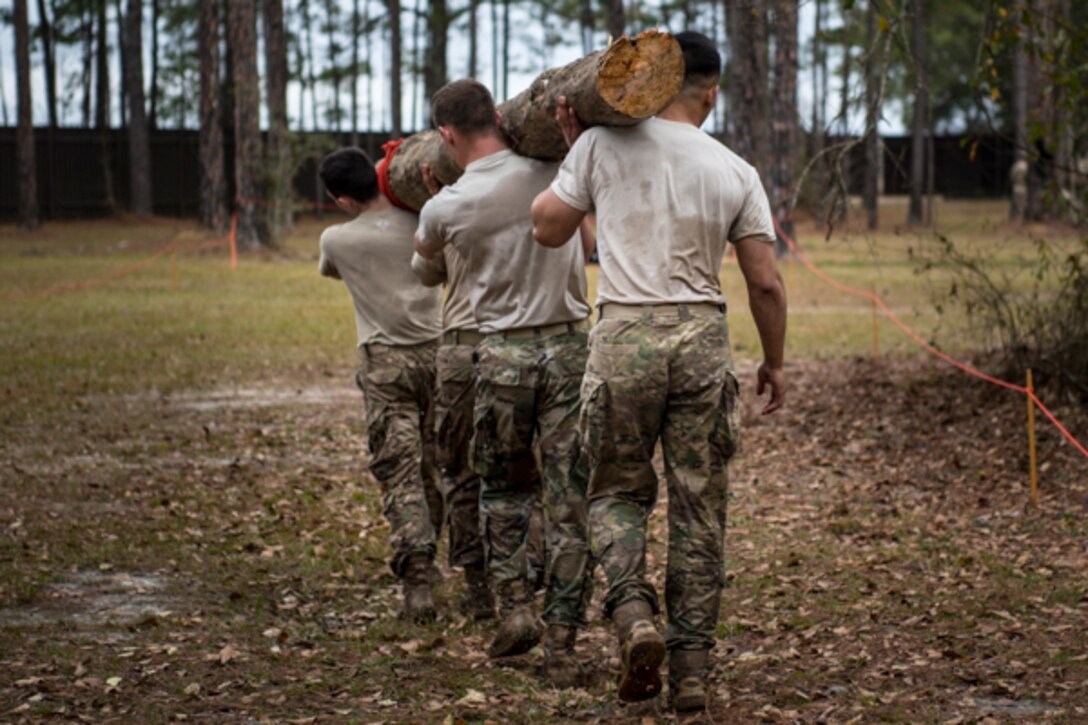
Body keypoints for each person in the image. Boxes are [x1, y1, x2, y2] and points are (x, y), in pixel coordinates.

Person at [531, 31, 788, 711]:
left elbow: (547, 229)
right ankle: (694, 668)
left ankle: (633, 614)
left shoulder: (598, 144)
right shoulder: (734, 168)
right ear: (712, 92)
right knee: (700, 506)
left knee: (614, 491)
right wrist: (775, 362)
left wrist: (573, 147)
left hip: (624, 333)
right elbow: (765, 282)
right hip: (703, 337)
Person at [414, 79, 596, 687]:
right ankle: (565, 642)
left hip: (502, 356)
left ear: (445, 136)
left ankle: (514, 607)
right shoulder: (553, 166)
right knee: (569, 497)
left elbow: (423, 267)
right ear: (500, 115)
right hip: (572, 346)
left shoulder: (444, 206)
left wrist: (438, 199)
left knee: (501, 489)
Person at [317, 147, 445, 623]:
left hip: (385, 363)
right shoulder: (420, 221)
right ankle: (438, 560)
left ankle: (418, 579)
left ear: (342, 199)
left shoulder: (338, 240)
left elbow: (328, 271)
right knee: (435, 467)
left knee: (400, 472)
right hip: (437, 353)